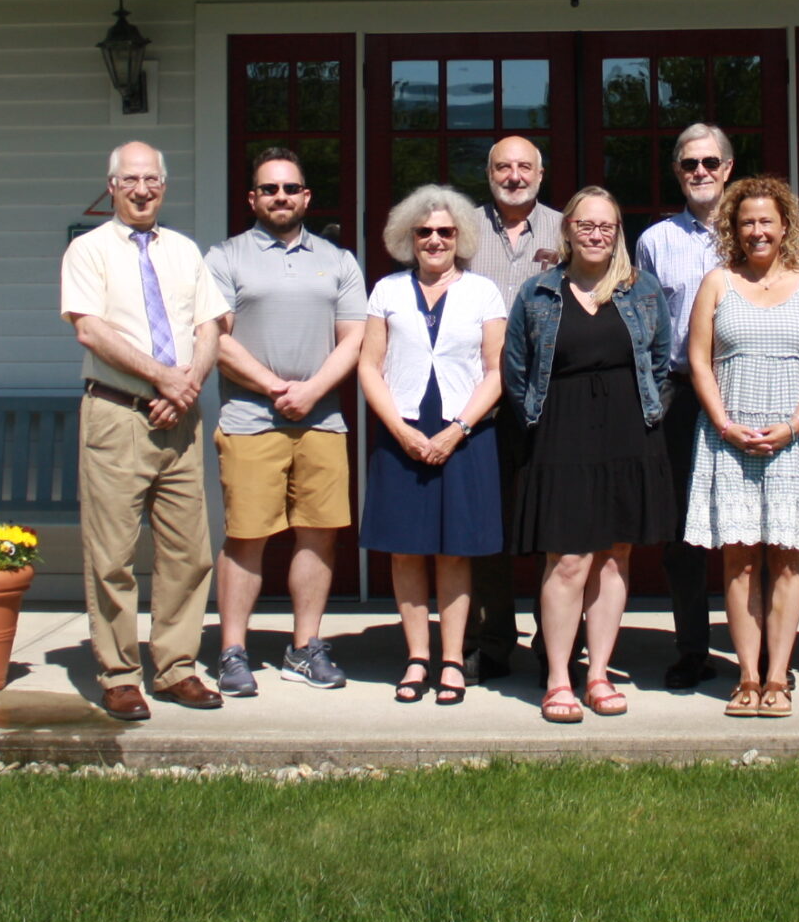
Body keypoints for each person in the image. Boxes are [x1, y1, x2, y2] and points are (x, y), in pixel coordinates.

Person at [59, 141, 229, 721]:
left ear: (164, 184)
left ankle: (177, 667)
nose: (142, 189)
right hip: (117, 414)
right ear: (111, 186)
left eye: (152, 179)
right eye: (130, 179)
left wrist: (186, 387)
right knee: (112, 554)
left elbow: (211, 325)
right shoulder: (88, 251)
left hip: (179, 419)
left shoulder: (184, 251)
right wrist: (164, 379)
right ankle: (119, 673)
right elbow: (90, 330)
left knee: (189, 551)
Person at [502, 187, 674, 723]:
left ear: (618, 231)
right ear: (569, 230)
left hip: (628, 434)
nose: (596, 234)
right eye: (586, 225)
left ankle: (598, 673)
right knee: (569, 558)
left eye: (607, 226)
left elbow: (664, 364)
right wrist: (539, 419)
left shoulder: (642, 290)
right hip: (561, 435)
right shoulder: (538, 293)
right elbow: (515, 369)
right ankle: (559, 678)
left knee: (614, 555)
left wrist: (647, 415)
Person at [204, 147, 368, 697]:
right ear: (253, 198)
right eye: (269, 189)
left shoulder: (339, 260)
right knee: (246, 536)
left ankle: (305, 647)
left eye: (290, 188)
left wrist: (314, 391)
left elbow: (354, 339)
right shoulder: (224, 259)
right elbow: (215, 339)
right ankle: (232, 651)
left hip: (322, 421)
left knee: (318, 535)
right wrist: (275, 388)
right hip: (251, 417)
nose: (280, 197)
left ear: (306, 196)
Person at [683, 175, 799, 719]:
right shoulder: (717, 284)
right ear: (734, 228)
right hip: (729, 438)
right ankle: (747, 676)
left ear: (785, 227)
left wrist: (795, 425)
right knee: (740, 560)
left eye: (766, 221)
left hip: (795, 438)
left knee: (790, 558)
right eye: (747, 221)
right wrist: (725, 424)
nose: (757, 231)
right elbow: (700, 361)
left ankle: (779, 676)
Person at [358, 185, 508, 707]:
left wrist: (457, 430)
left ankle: (451, 658)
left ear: (460, 236)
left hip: (464, 433)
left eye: (445, 231)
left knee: (454, 551)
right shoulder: (386, 291)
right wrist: (401, 431)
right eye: (424, 232)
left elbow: (496, 370)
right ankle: (416, 656)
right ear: (408, 237)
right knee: (406, 549)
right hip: (402, 430)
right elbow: (368, 367)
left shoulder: (484, 292)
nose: (435, 240)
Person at [632, 121, 736, 690]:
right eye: (689, 164)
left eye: (710, 163)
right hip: (677, 393)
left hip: (745, 388)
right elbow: (645, 323)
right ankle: (692, 648)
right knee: (683, 531)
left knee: (751, 522)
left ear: (727, 168)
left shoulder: (751, 230)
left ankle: (763, 653)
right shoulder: (654, 241)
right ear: (677, 172)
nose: (700, 173)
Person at [464, 135, 563, 681]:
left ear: (541, 174)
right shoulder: (462, 227)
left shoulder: (567, 225)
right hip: (481, 400)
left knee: (554, 521)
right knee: (489, 526)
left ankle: (555, 640)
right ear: (489, 173)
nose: (515, 175)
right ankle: (493, 640)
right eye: (504, 166)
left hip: (550, 398)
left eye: (525, 167)